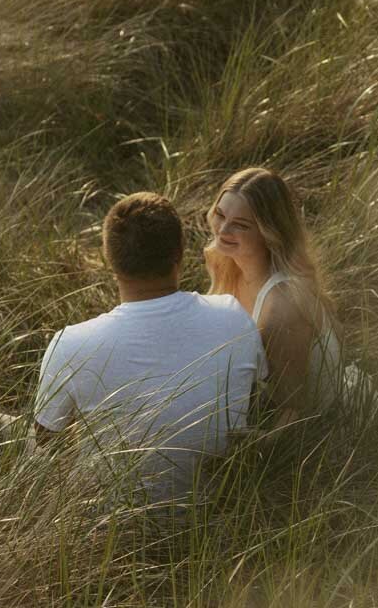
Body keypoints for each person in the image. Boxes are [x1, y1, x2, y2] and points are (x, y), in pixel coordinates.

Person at [34, 191, 265, 508]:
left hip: (105, 528)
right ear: (180, 252)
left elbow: (46, 445)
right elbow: (252, 404)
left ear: (108, 259)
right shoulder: (234, 317)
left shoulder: (70, 344)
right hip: (219, 517)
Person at [204, 167, 344, 426]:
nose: (223, 230)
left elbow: (293, 411)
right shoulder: (227, 265)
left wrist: (242, 459)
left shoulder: (281, 304)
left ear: (269, 233)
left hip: (310, 426)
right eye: (220, 215)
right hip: (260, 407)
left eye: (241, 225)